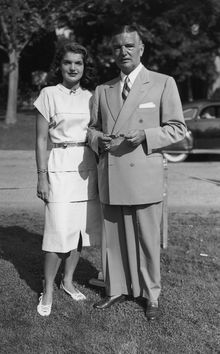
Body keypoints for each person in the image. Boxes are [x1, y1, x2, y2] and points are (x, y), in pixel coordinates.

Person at [88, 24, 187, 320]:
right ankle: (116, 289)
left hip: (143, 174)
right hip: (112, 173)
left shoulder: (162, 83)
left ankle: (151, 295)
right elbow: (91, 128)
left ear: (141, 49)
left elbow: (178, 129)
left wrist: (146, 134)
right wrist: (97, 139)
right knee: (114, 238)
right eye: (118, 47)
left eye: (129, 46)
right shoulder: (103, 89)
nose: (123, 52)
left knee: (146, 239)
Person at [34, 42, 101, 317]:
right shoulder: (48, 94)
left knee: (79, 233)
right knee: (57, 230)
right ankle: (47, 288)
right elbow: (40, 140)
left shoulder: (92, 96)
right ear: (59, 66)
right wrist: (42, 176)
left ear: (84, 67)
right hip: (59, 166)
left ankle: (68, 281)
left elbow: (97, 132)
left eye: (78, 63)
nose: (73, 67)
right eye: (67, 62)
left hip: (87, 169)